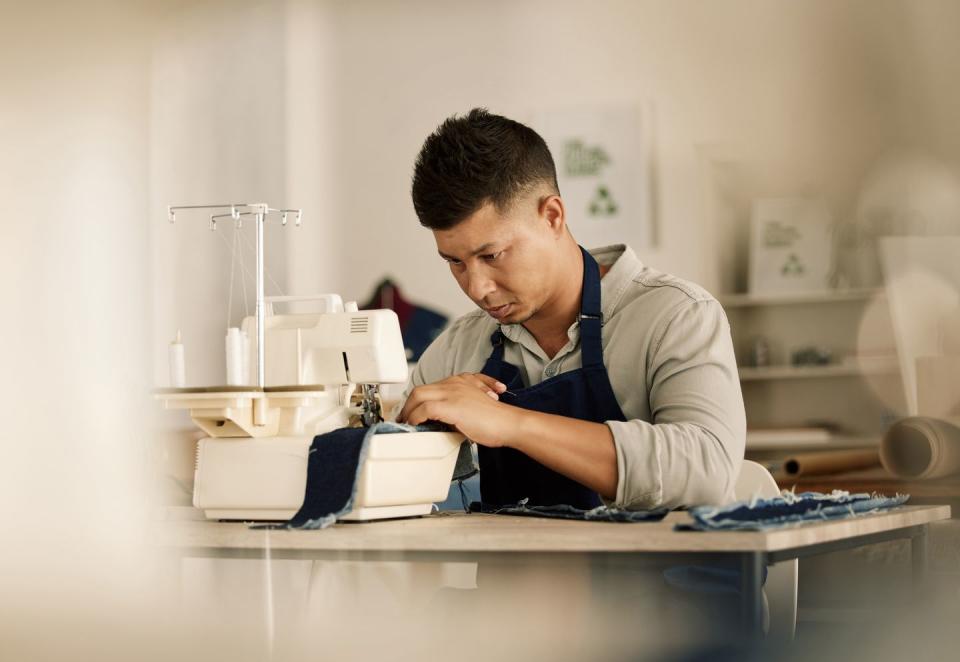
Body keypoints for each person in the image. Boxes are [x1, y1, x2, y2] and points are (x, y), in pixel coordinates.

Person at [396, 108, 745, 511]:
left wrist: (511, 424)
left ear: (552, 216)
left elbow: (707, 471)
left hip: (653, 574)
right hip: (512, 575)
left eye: (492, 255)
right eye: (454, 262)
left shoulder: (676, 317)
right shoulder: (455, 351)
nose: (476, 288)